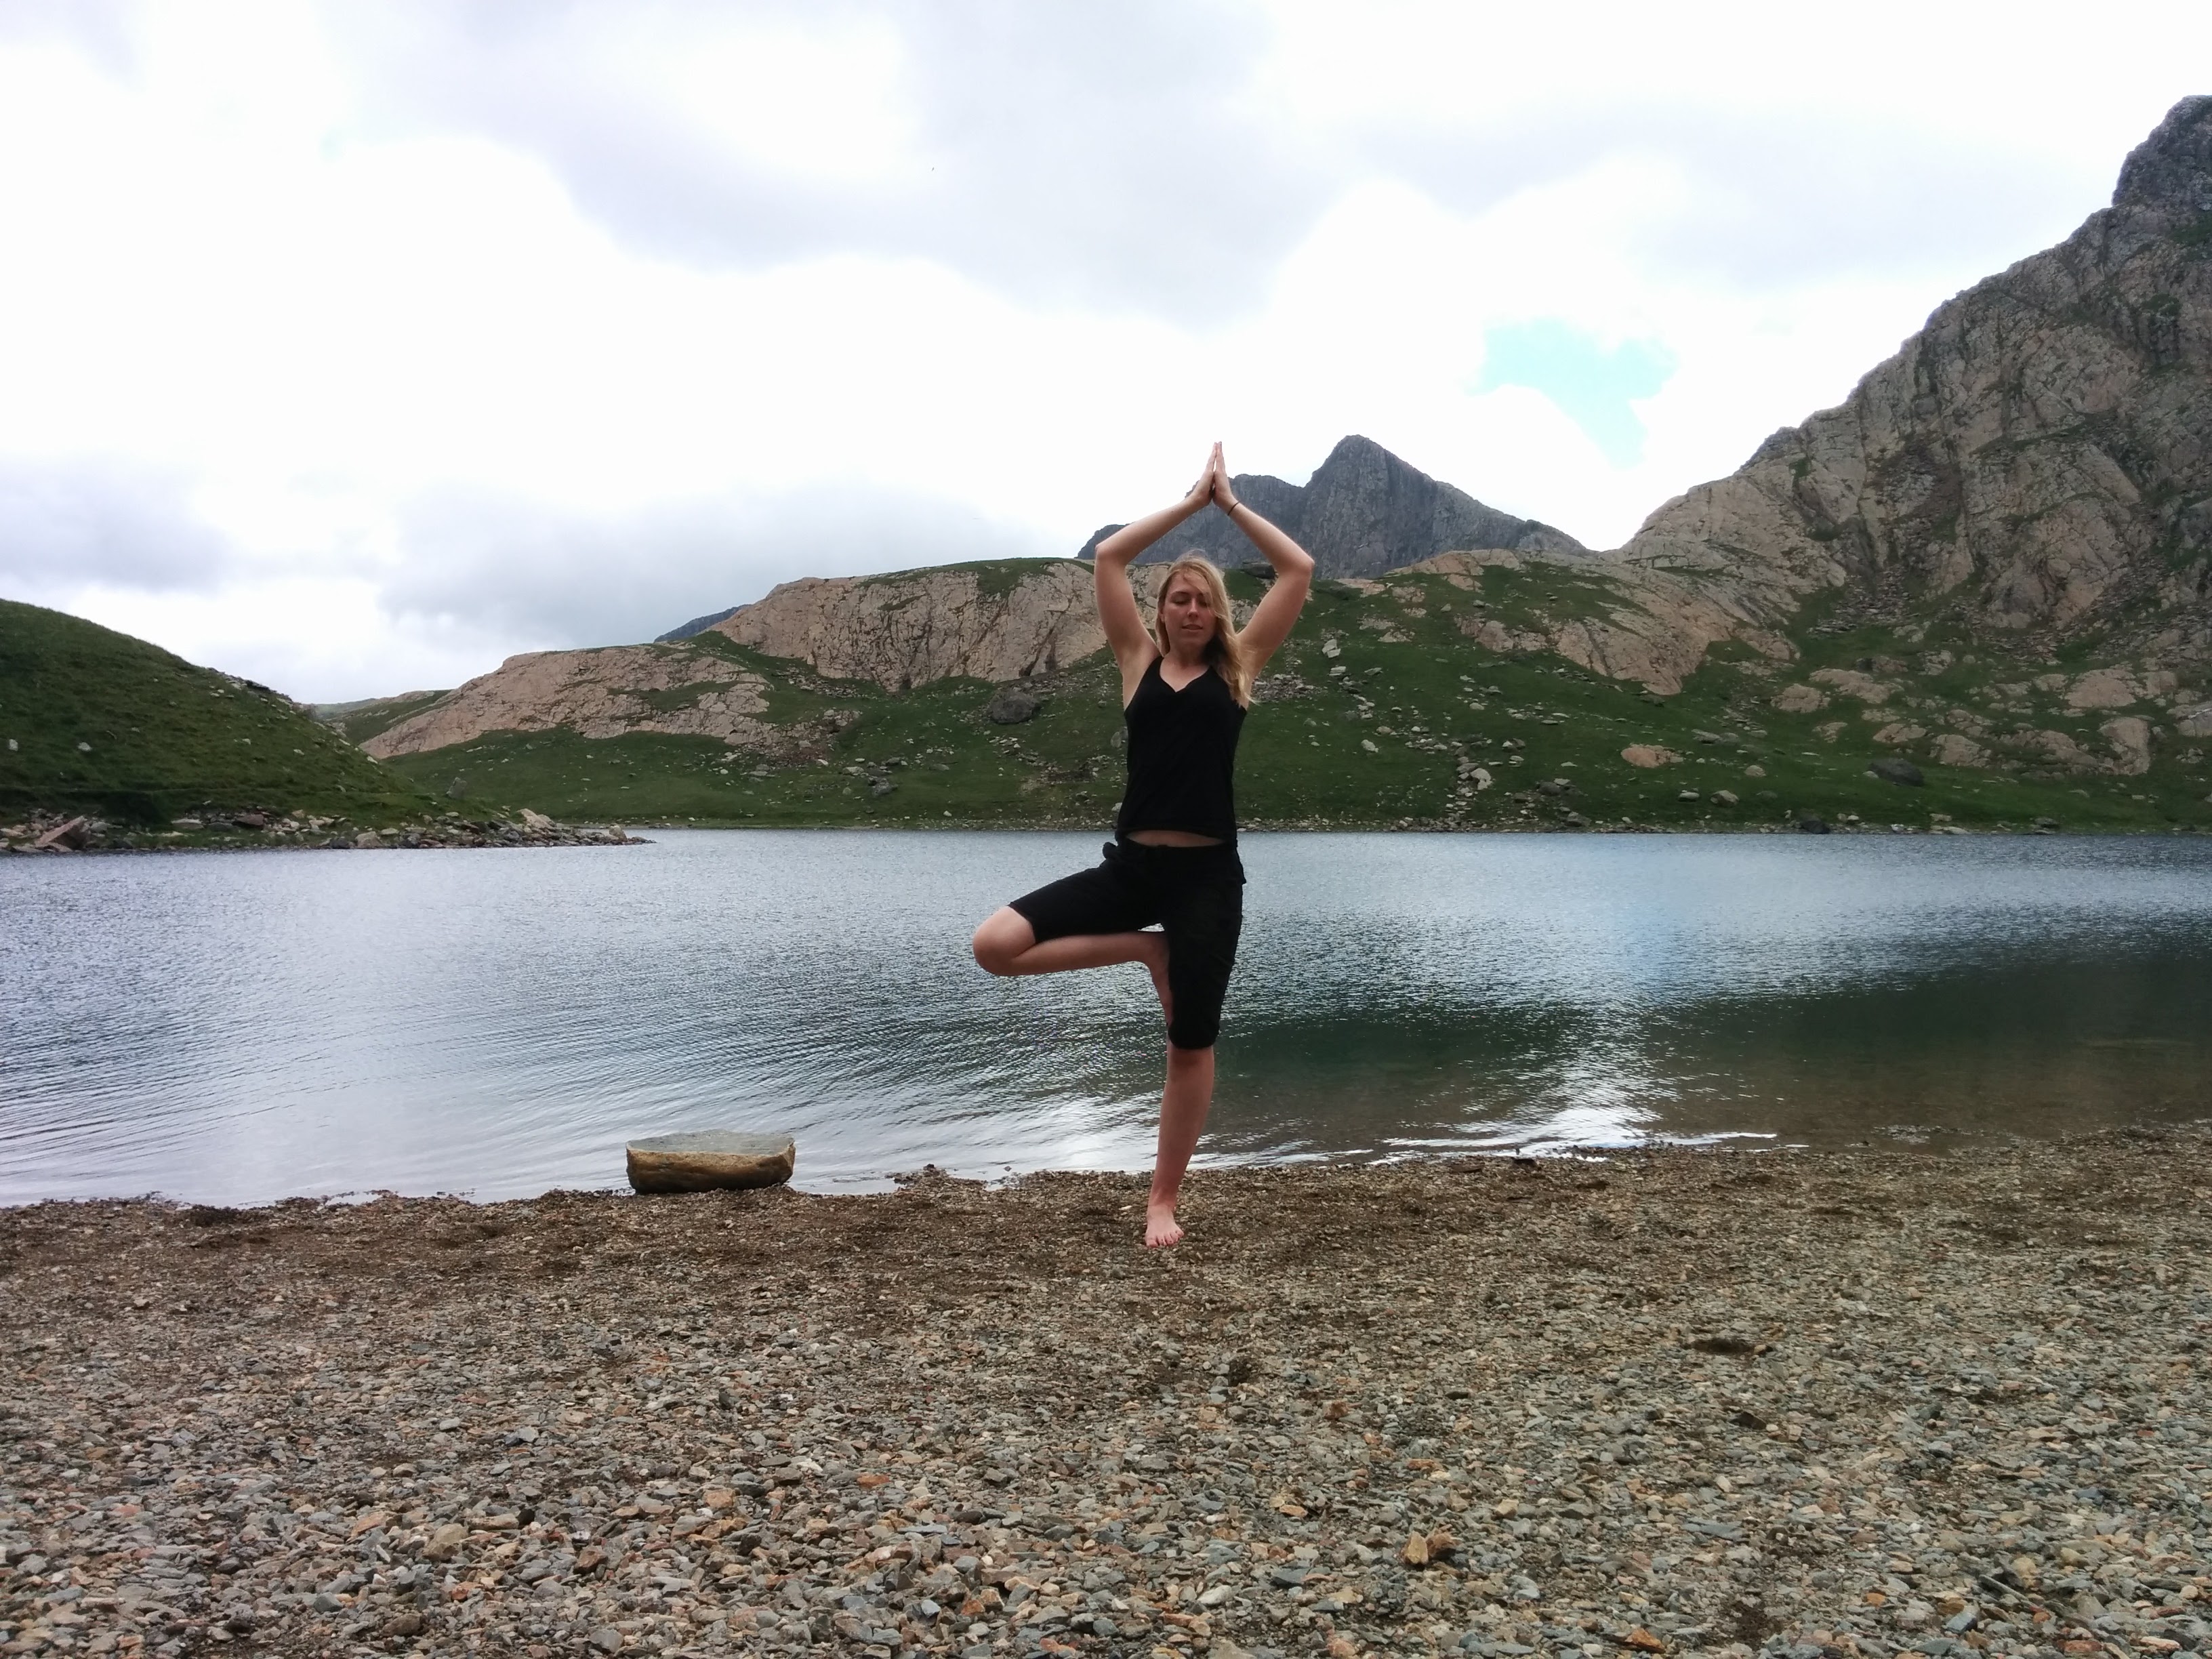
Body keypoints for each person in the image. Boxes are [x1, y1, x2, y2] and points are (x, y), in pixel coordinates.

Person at [970, 443, 1315, 1247]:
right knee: (995, 946)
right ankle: (1144, 950)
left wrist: (1231, 505)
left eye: (1204, 601)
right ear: (1160, 612)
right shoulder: (1137, 663)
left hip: (1207, 880)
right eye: (1179, 599)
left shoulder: (1240, 669)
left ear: (1219, 615)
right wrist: (1192, 503)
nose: (1191, 610)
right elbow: (1109, 557)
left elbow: (1297, 570)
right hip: (1131, 870)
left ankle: (1162, 1201)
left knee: (1190, 1041)